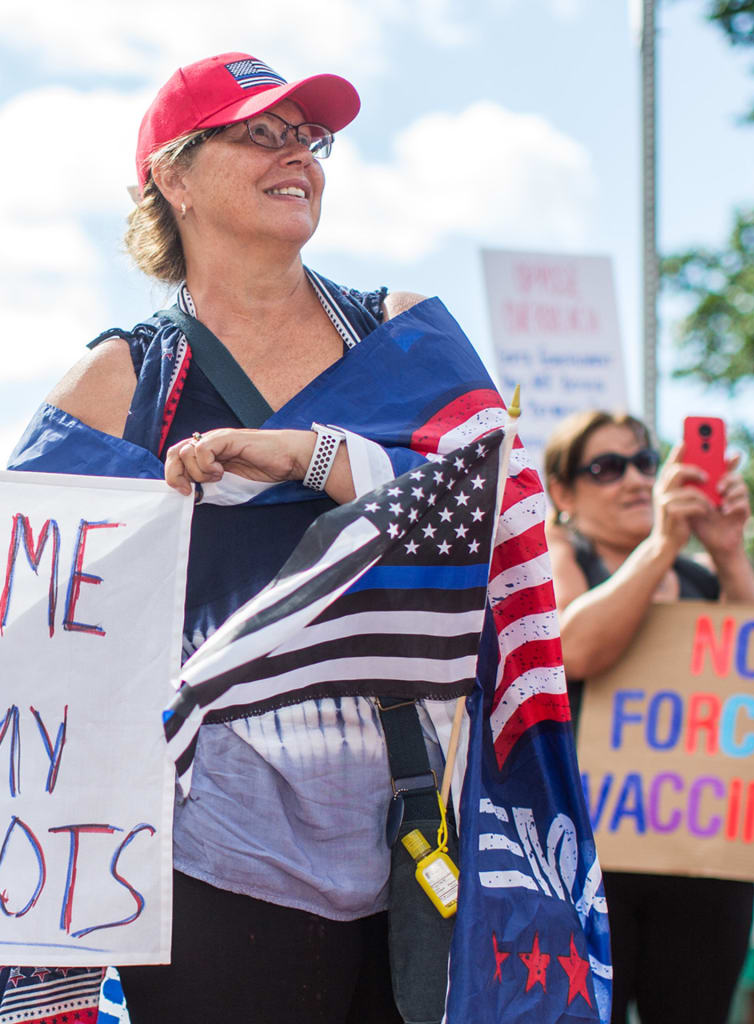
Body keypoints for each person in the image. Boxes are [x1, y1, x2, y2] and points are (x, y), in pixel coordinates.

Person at [4, 52, 451, 1024]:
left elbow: (492, 516)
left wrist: (311, 455)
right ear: (173, 173)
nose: (298, 155)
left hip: (416, 839)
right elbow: (22, 622)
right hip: (201, 851)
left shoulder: (405, 335)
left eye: (309, 136)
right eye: (262, 131)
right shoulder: (119, 384)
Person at [544, 409, 754, 1024]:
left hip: (702, 859)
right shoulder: (557, 566)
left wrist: (728, 553)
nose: (637, 481)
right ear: (563, 493)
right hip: (590, 863)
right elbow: (574, 650)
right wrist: (663, 543)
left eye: (645, 463)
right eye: (607, 468)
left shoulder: (700, 578)